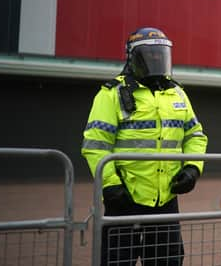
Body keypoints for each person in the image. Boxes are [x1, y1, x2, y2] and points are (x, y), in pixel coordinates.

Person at [82, 27, 208, 265]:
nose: (157, 60)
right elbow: (95, 145)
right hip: (123, 198)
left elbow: (195, 135)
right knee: (117, 261)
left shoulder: (178, 94)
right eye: (150, 55)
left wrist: (193, 168)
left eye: (161, 55)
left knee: (167, 260)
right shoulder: (111, 94)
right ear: (133, 58)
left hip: (166, 199)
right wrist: (110, 185)